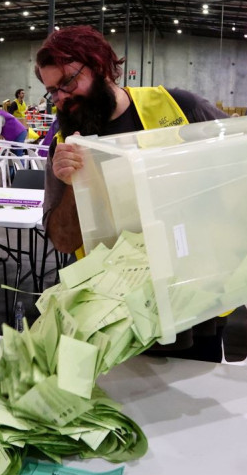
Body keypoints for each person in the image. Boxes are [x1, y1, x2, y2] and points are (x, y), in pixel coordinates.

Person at [35, 24, 227, 362]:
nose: (61, 98)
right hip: (113, 312)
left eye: (67, 83)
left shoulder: (178, 108)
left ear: (101, 67)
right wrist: (69, 185)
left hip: (192, 303)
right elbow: (64, 242)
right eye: (52, 91)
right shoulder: (65, 144)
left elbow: (240, 160)